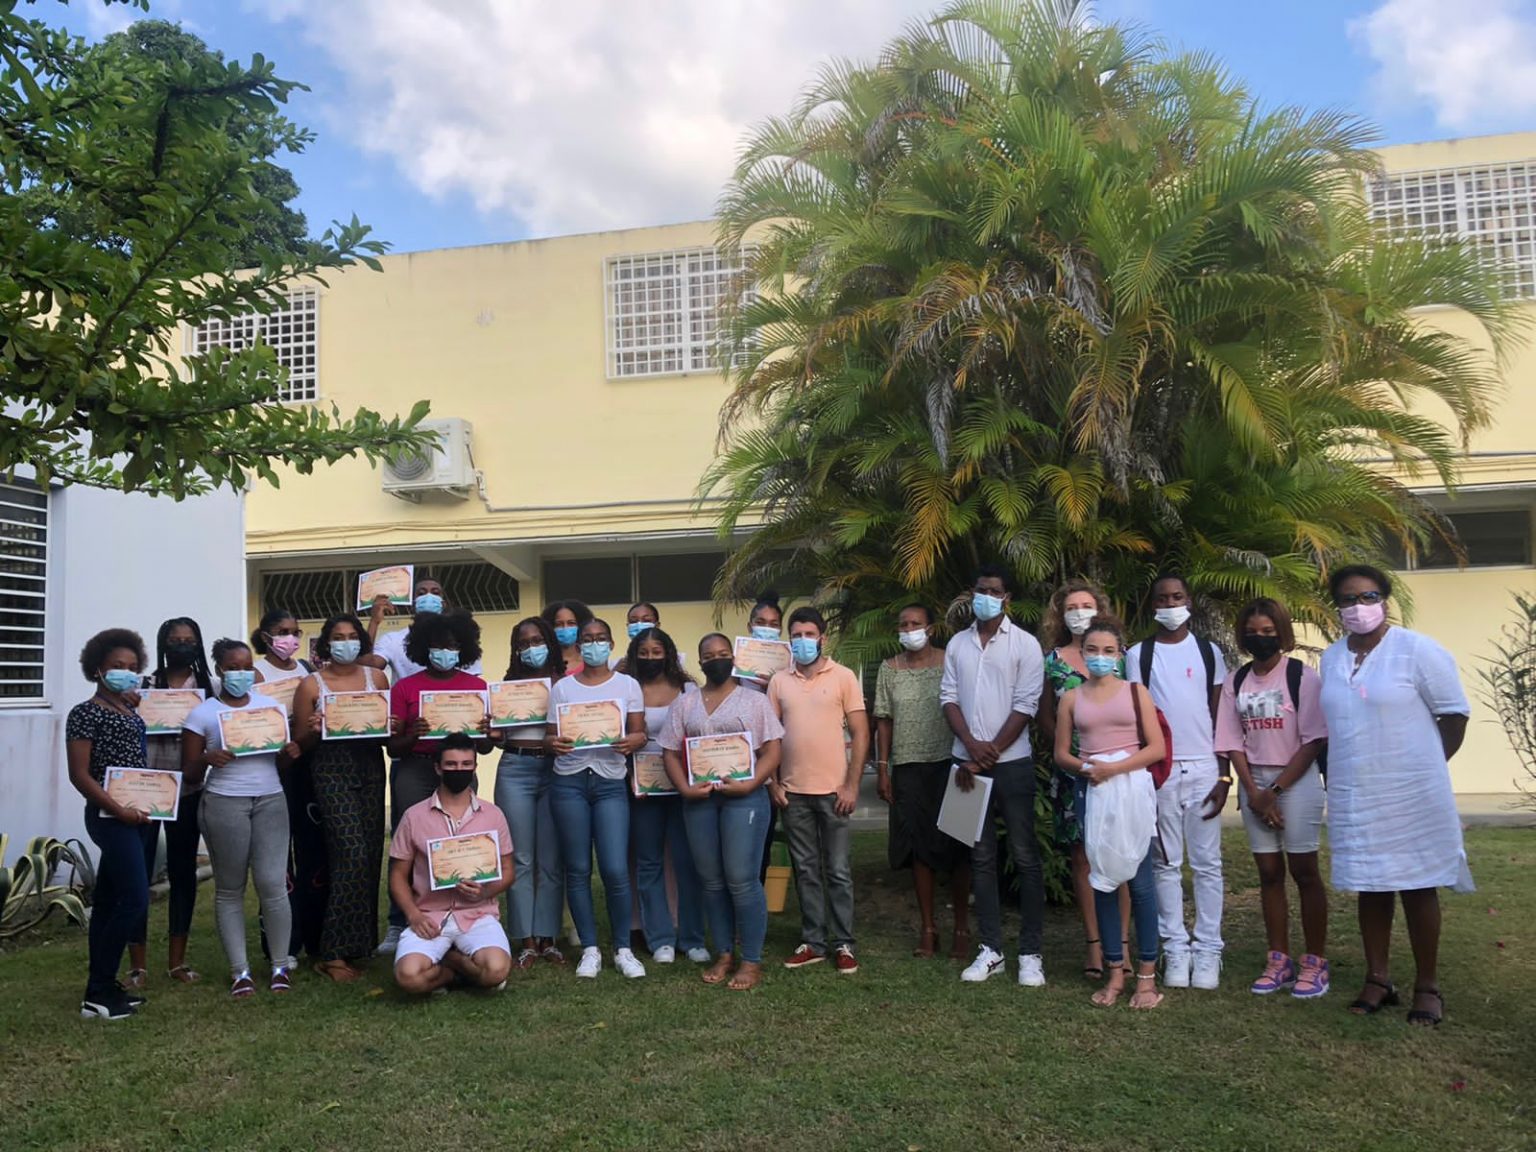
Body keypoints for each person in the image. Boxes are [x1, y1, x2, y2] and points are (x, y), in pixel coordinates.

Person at [1318, 565, 1471, 1027]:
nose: (1358, 606)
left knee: (1417, 884)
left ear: (1384, 599)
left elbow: (1454, 715)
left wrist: (1425, 768)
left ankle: (1427, 986)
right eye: (1348, 599)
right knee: (1370, 883)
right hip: (1355, 791)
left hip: (1412, 791)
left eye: (1368, 596)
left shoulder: (1418, 650)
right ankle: (1378, 979)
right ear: (1337, 607)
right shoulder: (1331, 658)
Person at [1216, 598, 1331, 999]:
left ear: (1281, 633)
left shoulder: (1302, 677)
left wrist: (1275, 792)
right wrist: (1253, 792)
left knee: (1304, 870)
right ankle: (1278, 958)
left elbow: (1313, 740)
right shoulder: (1236, 680)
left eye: (1268, 632)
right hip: (1255, 783)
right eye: (1252, 632)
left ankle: (1314, 961)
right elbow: (1231, 740)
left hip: (1295, 780)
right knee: (1268, 872)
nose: (1260, 638)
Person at [941, 565, 1047, 986]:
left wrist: (989, 754)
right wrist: (970, 746)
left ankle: (1031, 953)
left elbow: (1026, 705)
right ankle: (991, 950)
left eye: (994, 591)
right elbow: (948, 698)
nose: (985, 597)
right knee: (980, 857)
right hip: (964, 764)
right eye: (980, 589)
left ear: (1007, 598)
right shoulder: (957, 643)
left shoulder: (1026, 644)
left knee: (1025, 856)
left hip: (1013, 765)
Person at [1054, 617, 1167, 1009]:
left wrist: (1115, 769)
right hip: (1094, 792)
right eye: (1092, 650)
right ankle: (1115, 972)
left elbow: (1156, 748)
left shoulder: (1136, 693)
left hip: (1132, 791)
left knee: (1141, 884)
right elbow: (1061, 754)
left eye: (1108, 650)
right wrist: (1089, 769)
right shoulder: (1071, 698)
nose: (1099, 657)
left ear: (1120, 655)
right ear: (1082, 653)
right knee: (1102, 880)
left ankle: (1147, 977)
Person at [661, 633, 785, 990]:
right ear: (700, 662)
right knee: (712, 882)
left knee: (742, 880)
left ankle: (752, 960)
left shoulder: (754, 701)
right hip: (700, 801)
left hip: (744, 798)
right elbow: (669, 751)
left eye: (723, 653)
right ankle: (725, 953)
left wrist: (751, 784)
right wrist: (685, 789)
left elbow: (773, 750)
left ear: (733, 657)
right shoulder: (685, 704)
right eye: (709, 655)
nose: (717, 659)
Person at [1126, 573, 1229, 990]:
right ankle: (1176, 948)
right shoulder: (1139, 654)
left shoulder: (1208, 652)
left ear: (1189, 601)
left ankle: (1208, 949)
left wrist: (1223, 772)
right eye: (1163, 599)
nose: (1171, 605)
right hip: (1161, 768)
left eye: (1178, 597)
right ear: (1153, 605)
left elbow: (1220, 716)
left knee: (1207, 864)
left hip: (1204, 767)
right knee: (1165, 863)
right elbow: (1138, 716)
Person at [182, 639, 301, 998]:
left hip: (270, 799)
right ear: (220, 670)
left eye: (247, 667)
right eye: (233, 668)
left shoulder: (270, 707)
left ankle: (280, 965)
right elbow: (189, 772)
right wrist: (207, 759)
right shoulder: (202, 714)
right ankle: (240, 971)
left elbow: (279, 761)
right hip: (224, 803)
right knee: (230, 888)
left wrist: (290, 752)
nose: (241, 674)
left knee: (273, 884)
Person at [379, 609, 494, 954]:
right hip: (414, 769)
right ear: (423, 647)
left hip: (460, 772)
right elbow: (392, 747)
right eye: (438, 645)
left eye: (453, 645)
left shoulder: (477, 688)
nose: (445, 651)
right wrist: (412, 734)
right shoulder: (405, 687)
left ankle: (461, 916)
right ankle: (400, 921)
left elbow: (485, 748)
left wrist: (487, 732)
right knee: (407, 847)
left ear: (464, 649)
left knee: (460, 843)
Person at [291, 614, 395, 981]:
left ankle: (359, 945)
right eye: (338, 637)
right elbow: (299, 744)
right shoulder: (310, 684)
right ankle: (331, 952)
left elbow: (386, 735)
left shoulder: (376, 678)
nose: (346, 642)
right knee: (350, 853)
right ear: (326, 643)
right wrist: (315, 730)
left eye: (352, 636)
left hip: (370, 767)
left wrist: (392, 726)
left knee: (370, 854)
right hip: (330, 769)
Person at [1037, 580, 1131, 981]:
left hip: (1119, 770)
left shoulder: (1122, 657)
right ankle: (1094, 943)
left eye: (1086, 605)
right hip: (1071, 771)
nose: (1079, 613)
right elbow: (1044, 713)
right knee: (1082, 856)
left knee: (1119, 855)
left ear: (1100, 609)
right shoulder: (1052, 661)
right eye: (1071, 607)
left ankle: (1121, 945)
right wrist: (1069, 752)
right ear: (1061, 615)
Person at [768, 606, 869, 974]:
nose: (802, 641)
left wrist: (852, 785)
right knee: (806, 870)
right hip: (793, 793)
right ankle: (813, 942)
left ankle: (843, 943)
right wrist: (773, 782)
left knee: (838, 870)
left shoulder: (843, 677)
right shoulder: (779, 681)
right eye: (796, 635)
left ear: (822, 638)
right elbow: (770, 736)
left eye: (809, 634)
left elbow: (861, 732)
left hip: (834, 793)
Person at [547, 618, 648, 978]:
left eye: (600, 638)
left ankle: (622, 949)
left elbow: (640, 733)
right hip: (569, 782)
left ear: (611, 643)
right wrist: (554, 743)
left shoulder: (628, 684)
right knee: (577, 868)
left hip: (610, 781)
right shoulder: (562, 688)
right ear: (579, 645)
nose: (594, 644)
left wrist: (633, 741)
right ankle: (590, 949)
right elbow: (549, 736)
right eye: (587, 639)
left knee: (615, 868)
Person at [67, 628, 155, 1020]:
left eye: (133, 666)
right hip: (109, 817)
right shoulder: (85, 713)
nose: (126, 672)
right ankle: (99, 991)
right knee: (135, 899)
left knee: (107, 902)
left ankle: (99, 987)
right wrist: (118, 810)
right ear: (98, 669)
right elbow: (79, 774)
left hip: (137, 815)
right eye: (117, 665)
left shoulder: (129, 709)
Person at [874, 603, 970, 960]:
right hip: (908, 766)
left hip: (953, 762)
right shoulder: (889, 669)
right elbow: (884, 720)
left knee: (960, 844)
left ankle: (961, 927)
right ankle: (928, 928)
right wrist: (883, 768)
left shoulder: (951, 661)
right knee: (918, 847)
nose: (909, 629)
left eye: (915, 623)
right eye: (903, 624)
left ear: (930, 628)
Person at [127, 617, 216, 989]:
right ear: (163, 644)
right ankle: (138, 966)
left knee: (182, 874)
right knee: (138, 874)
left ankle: (177, 962)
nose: (182, 645)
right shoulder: (142, 686)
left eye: (189, 640)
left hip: (188, 790)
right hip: (145, 791)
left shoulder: (210, 688)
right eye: (175, 640)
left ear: (198, 644)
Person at [389, 734, 514, 995]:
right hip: (430, 914)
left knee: (496, 971)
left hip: (478, 914)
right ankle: (451, 972)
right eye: (452, 764)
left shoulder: (493, 815)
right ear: (438, 768)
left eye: (466, 764)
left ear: (475, 767)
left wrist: (485, 892)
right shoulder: (414, 816)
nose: (459, 770)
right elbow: (398, 875)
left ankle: (451, 962)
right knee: (408, 978)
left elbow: (508, 870)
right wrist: (413, 915)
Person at [490, 616, 567, 968]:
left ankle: (549, 938)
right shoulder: (507, 687)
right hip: (515, 768)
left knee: (551, 859)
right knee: (520, 858)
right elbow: (494, 741)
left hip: (555, 770)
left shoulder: (566, 685)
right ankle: (526, 940)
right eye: (523, 644)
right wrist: (491, 732)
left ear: (549, 643)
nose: (531, 648)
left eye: (537, 641)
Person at [627, 626, 707, 964]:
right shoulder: (627, 689)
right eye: (643, 653)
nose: (650, 659)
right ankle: (659, 938)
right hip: (642, 790)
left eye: (656, 653)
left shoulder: (688, 689)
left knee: (688, 862)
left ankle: (692, 938)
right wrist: (633, 779)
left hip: (684, 788)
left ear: (669, 654)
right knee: (648, 863)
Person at [251, 608, 324, 965]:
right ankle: (283, 944)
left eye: (295, 632)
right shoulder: (254, 672)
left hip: (306, 767)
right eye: (282, 632)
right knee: (278, 859)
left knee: (312, 853)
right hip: (271, 768)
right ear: (266, 636)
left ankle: (315, 938)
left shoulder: (307, 670)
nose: (290, 638)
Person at [367, 575, 484, 680]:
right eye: (421, 593)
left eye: (435, 593)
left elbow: (473, 681)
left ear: (443, 603)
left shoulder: (461, 637)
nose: (429, 596)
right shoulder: (392, 639)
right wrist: (374, 622)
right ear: (413, 604)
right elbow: (370, 665)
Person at [744, 590, 785, 883]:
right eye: (761, 622)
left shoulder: (790, 669)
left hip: (779, 767)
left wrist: (776, 685)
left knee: (763, 845)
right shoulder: (733, 669)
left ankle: (757, 897)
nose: (767, 629)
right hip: (743, 766)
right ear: (750, 626)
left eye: (773, 624)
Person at [542, 599, 593, 679]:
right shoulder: (543, 664)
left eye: (571, 623)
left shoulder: (592, 661)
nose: (565, 628)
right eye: (559, 624)